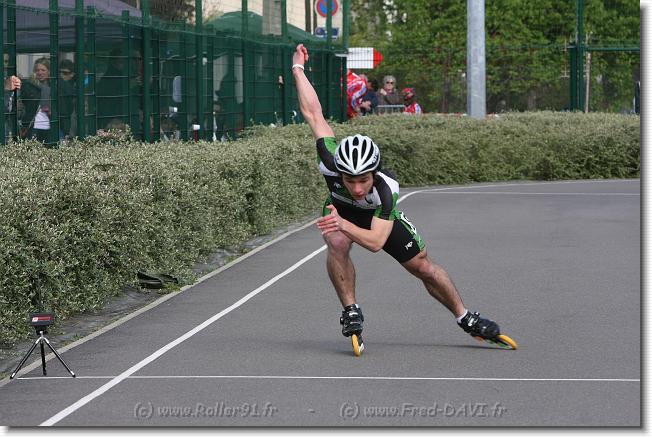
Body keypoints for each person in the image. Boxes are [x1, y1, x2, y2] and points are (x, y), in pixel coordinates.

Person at [291, 44, 509, 353]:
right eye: (349, 180)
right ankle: (351, 310)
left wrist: (342, 223)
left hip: (376, 220)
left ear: (375, 173)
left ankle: (465, 317)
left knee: (423, 267)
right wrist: (298, 68)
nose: (357, 188)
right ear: (339, 171)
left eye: (363, 180)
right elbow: (313, 113)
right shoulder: (329, 159)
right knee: (337, 241)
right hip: (341, 211)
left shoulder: (386, 188)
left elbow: (375, 243)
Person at [19, 57, 51, 143]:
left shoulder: (53, 87)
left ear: (49, 72)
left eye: (43, 70)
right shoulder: (28, 86)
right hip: (32, 126)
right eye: (37, 70)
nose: (40, 73)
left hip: (50, 126)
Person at [58, 59, 76, 138]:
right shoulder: (61, 86)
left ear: (72, 74)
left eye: (65, 73)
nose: (61, 75)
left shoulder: (74, 87)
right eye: (60, 72)